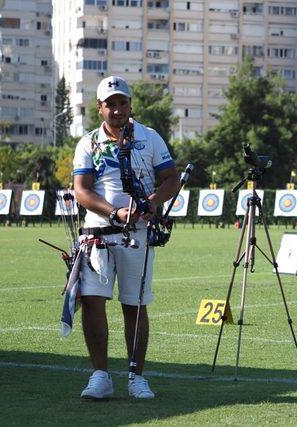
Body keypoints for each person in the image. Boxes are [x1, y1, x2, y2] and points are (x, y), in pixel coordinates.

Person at [72, 75, 180, 399]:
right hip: (98, 234)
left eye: (122, 103)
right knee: (92, 302)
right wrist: (113, 212)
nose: (117, 110)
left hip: (138, 233)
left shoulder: (149, 137)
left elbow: (171, 179)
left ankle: (136, 377)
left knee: (134, 305)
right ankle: (100, 376)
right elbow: (82, 189)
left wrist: (151, 202)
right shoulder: (88, 142)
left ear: (130, 104)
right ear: (99, 108)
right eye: (110, 104)